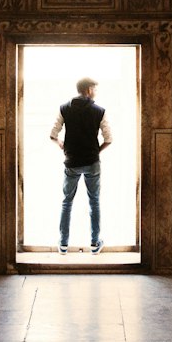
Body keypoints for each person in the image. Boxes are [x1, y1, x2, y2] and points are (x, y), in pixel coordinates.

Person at [50, 76, 112, 254]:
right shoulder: (99, 111)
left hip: (72, 162)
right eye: (95, 89)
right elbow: (109, 139)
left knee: (66, 202)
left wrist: (61, 145)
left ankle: (63, 244)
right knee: (94, 202)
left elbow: (53, 134)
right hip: (92, 162)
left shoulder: (64, 109)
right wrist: (96, 151)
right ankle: (94, 244)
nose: (96, 93)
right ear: (89, 90)